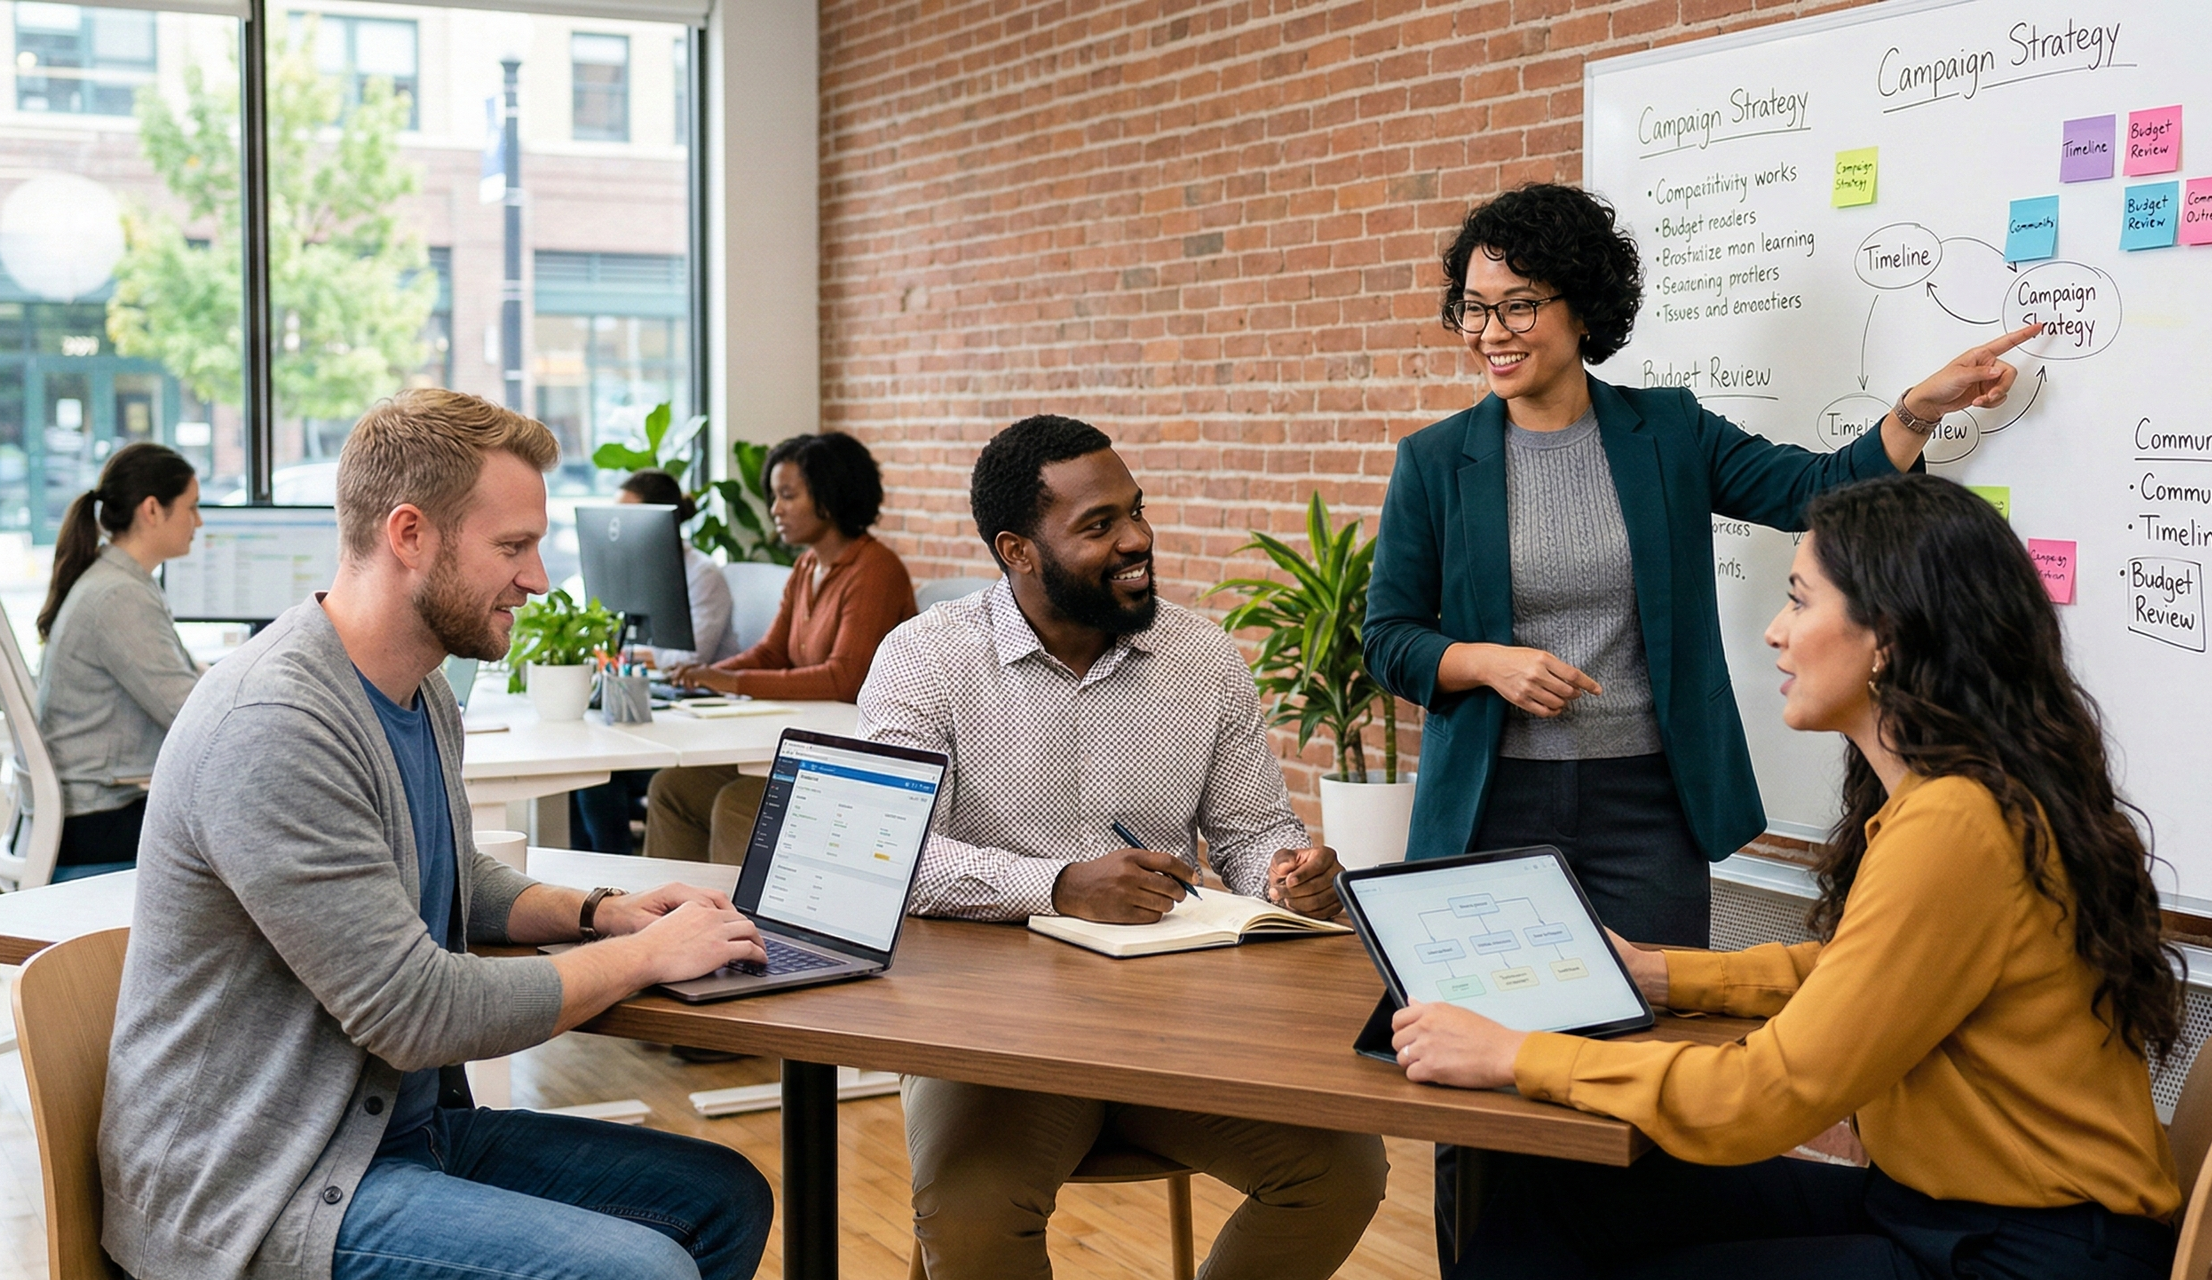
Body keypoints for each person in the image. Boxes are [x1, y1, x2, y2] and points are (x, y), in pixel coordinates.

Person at [1393, 473, 2183, 1280]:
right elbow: (1860, 973)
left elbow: (1764, 1096)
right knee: (1554, 1198)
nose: (1775, 631)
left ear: (1891, 636)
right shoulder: (1959, 798)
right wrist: (1659, 974)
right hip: (1948, 1214)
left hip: (2023, 1254)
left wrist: (1516, 1055)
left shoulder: (1956, 823)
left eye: (1800, 601)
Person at [97, 389, 773, 1280]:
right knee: (638, 1270)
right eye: (512, 547)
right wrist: (648, 958)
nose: (536, 578)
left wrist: (606, 914)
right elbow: (417, 1014)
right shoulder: (276, 723)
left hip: (391, 1137)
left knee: (725, 1197)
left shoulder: (421, 690)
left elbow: (445, 871)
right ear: (409, 535)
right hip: (261, 1189)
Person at [1363, 182, 2042, 948]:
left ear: (1583, 308)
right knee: (1487, 1036)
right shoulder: (1435, 461)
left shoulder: (1670, 433)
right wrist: (1485, 662)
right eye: (1475, 308)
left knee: (1658, 1025)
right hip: (1492, 801)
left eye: (1518, 305)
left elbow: (1816, 489)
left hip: (1648, 805)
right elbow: (1389, 637)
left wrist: (1919, 408)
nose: (1492, 332)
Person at [856, 414, 1388, 1280]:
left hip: (1177, 1025)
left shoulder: (1203, 658)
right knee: (972, 1211)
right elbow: (896, 857)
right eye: (1099, 526)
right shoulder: (926, 660)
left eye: (1135, 512)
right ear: (1018, 550)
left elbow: (1253, 833)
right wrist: (1060, 885)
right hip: (995, 1036)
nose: (1137, 539)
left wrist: (1287, 877)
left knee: (1340, 1171)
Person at [647, 430, 916, 864]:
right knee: (672, 789)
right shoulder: (808, 564)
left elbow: (843, 678)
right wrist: (703, 679)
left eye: (787, 496)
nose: (775, 510)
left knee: (736, 803)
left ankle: (730, 929)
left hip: (854, 760)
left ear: (830, 497)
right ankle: (667, 921)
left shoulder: (875, 571)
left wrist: (732, 680)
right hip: (808, 742)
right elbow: (773, 651)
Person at [33, 441, 205, 881]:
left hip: (90, 811)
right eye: (191, 507)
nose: (198, 522)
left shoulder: (119, 581)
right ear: (152, 509)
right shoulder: (119, 596)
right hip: (98, 820)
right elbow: (188, 716)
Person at [566, 467, 736, 854]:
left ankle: (614, 879)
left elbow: (688, 658)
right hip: (652, 711)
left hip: (695, 723)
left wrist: (637, 654)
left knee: (597, 777)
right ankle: (587, 884)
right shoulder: (632, 567)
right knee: (582, 774)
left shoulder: (702, 575)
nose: (618, 529)